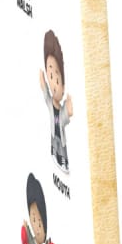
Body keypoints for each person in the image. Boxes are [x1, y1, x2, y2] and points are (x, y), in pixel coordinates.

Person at [40, 30, 74, 174]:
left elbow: (67, 114)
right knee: (55, 144)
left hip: (61, 134)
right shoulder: (50, 104)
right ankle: (55, 154)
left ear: (63, 87)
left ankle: (64, 161)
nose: (54, 84)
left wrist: (69, 108)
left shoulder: (61, 110)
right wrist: (42, 81)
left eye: (57, 80)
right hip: (54, 134)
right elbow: (45, 93)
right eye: (51, 77)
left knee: (62, 148)